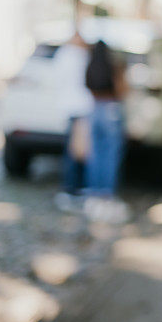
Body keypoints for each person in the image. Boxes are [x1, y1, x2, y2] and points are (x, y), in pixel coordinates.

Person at [82, 39, 130, 224]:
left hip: (94, 108)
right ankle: (107, 194)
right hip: (111, 108)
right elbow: (122, 89)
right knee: (111, 154)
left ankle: (94, 192)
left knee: (95, 153)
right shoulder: (113, 66)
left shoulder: (91, 65)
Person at [52, 29, 94, 213]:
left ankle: (73, 187)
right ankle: (76, 186)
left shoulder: (63, 55)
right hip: (82, 106)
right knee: (79, 150)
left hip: (71, 106)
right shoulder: (81, 55)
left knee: (74, 149)